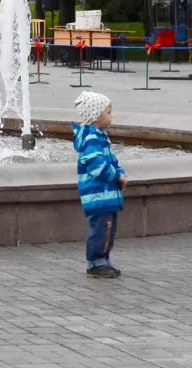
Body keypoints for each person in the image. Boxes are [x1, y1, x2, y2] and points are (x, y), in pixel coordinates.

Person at [71, 91, 127, 278]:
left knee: (108, 229)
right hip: (98, 194)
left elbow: (112, 161)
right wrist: (115, 176)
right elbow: (97, 166)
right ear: (96, 116)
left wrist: (120, 173)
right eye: (109, 112)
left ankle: (103, 260)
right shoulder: (92, 139)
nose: (112, 115)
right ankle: (94, 263)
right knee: (101, 229)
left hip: (107, 194)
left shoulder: (101, 136)